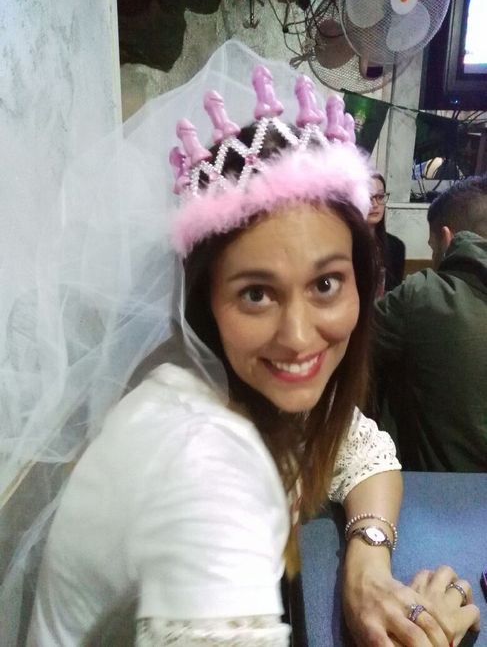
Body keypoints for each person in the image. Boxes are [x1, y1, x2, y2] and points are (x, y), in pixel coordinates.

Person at [4, 42, 477, 647]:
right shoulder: (203, 471)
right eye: (256, 294)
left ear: (365, 283)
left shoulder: (248, 387)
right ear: (205, 302)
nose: (298, 336)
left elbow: (361, 449)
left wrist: (367, 565)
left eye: (326, 284)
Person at [373, 175, 487, 472]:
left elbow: (350, 342)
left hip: (440, 490)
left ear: (447, 239)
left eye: (433, 248)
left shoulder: (423, 296)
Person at [368, 173, 405, 294]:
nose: (375, 204)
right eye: (368, 197)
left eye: (380, 197)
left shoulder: (396, 246)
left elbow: (395, 295)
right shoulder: (345, 244)